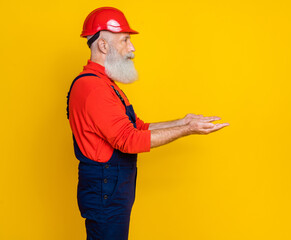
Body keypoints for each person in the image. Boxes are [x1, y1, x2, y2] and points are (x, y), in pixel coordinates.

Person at [66, 6, 229, 240]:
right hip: (105, 194)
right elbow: (128, 140)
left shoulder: (105, 84)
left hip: (109, 193)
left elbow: (136, 128)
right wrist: (187, 130)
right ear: (103, 45)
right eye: (125, 40)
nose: (131, 48)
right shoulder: (94, 88)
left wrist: (183, 121)